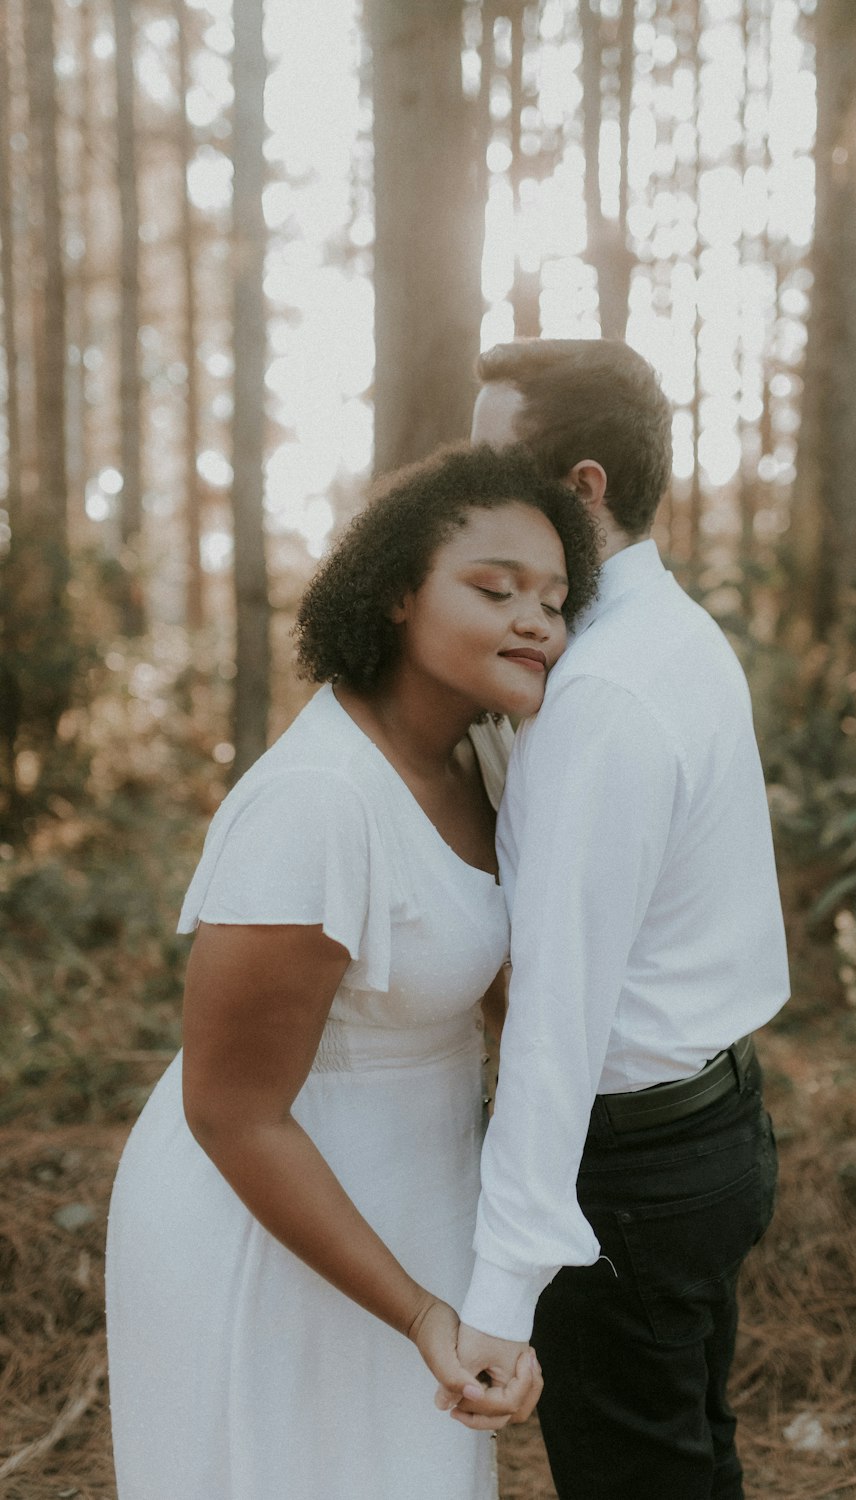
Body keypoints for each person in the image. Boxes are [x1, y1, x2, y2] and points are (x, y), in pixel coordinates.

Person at [105, 442, 601, 1500]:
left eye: (555, 601)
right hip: (269, 1227)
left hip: (419, 1202)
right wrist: (420, 1310)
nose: (536, 623)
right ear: (391, 596)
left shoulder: (481, 754)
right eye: (495, 588)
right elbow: (231, 1111)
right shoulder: (318, 802)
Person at [444, 341, 790, 1499]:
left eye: (496, 471)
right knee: (691, 1461)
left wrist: (500, 1295)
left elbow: (556, 1016)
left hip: (630, 1173)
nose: (469, 502)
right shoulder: (669, 637)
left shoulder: (600, 696)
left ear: (581, 489)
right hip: (716, 1127)